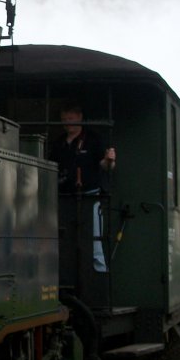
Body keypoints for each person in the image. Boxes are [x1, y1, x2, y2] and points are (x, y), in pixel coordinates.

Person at [49, 103, 117, 272]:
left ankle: (98, 274)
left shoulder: (93, 139)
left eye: (70, 119)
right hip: (64, 198)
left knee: (94, 242)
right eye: (64, 120)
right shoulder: (58, 143)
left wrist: (109, 160)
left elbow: (105, 165)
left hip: (90, 198)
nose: (67, 123)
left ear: (79, 117)